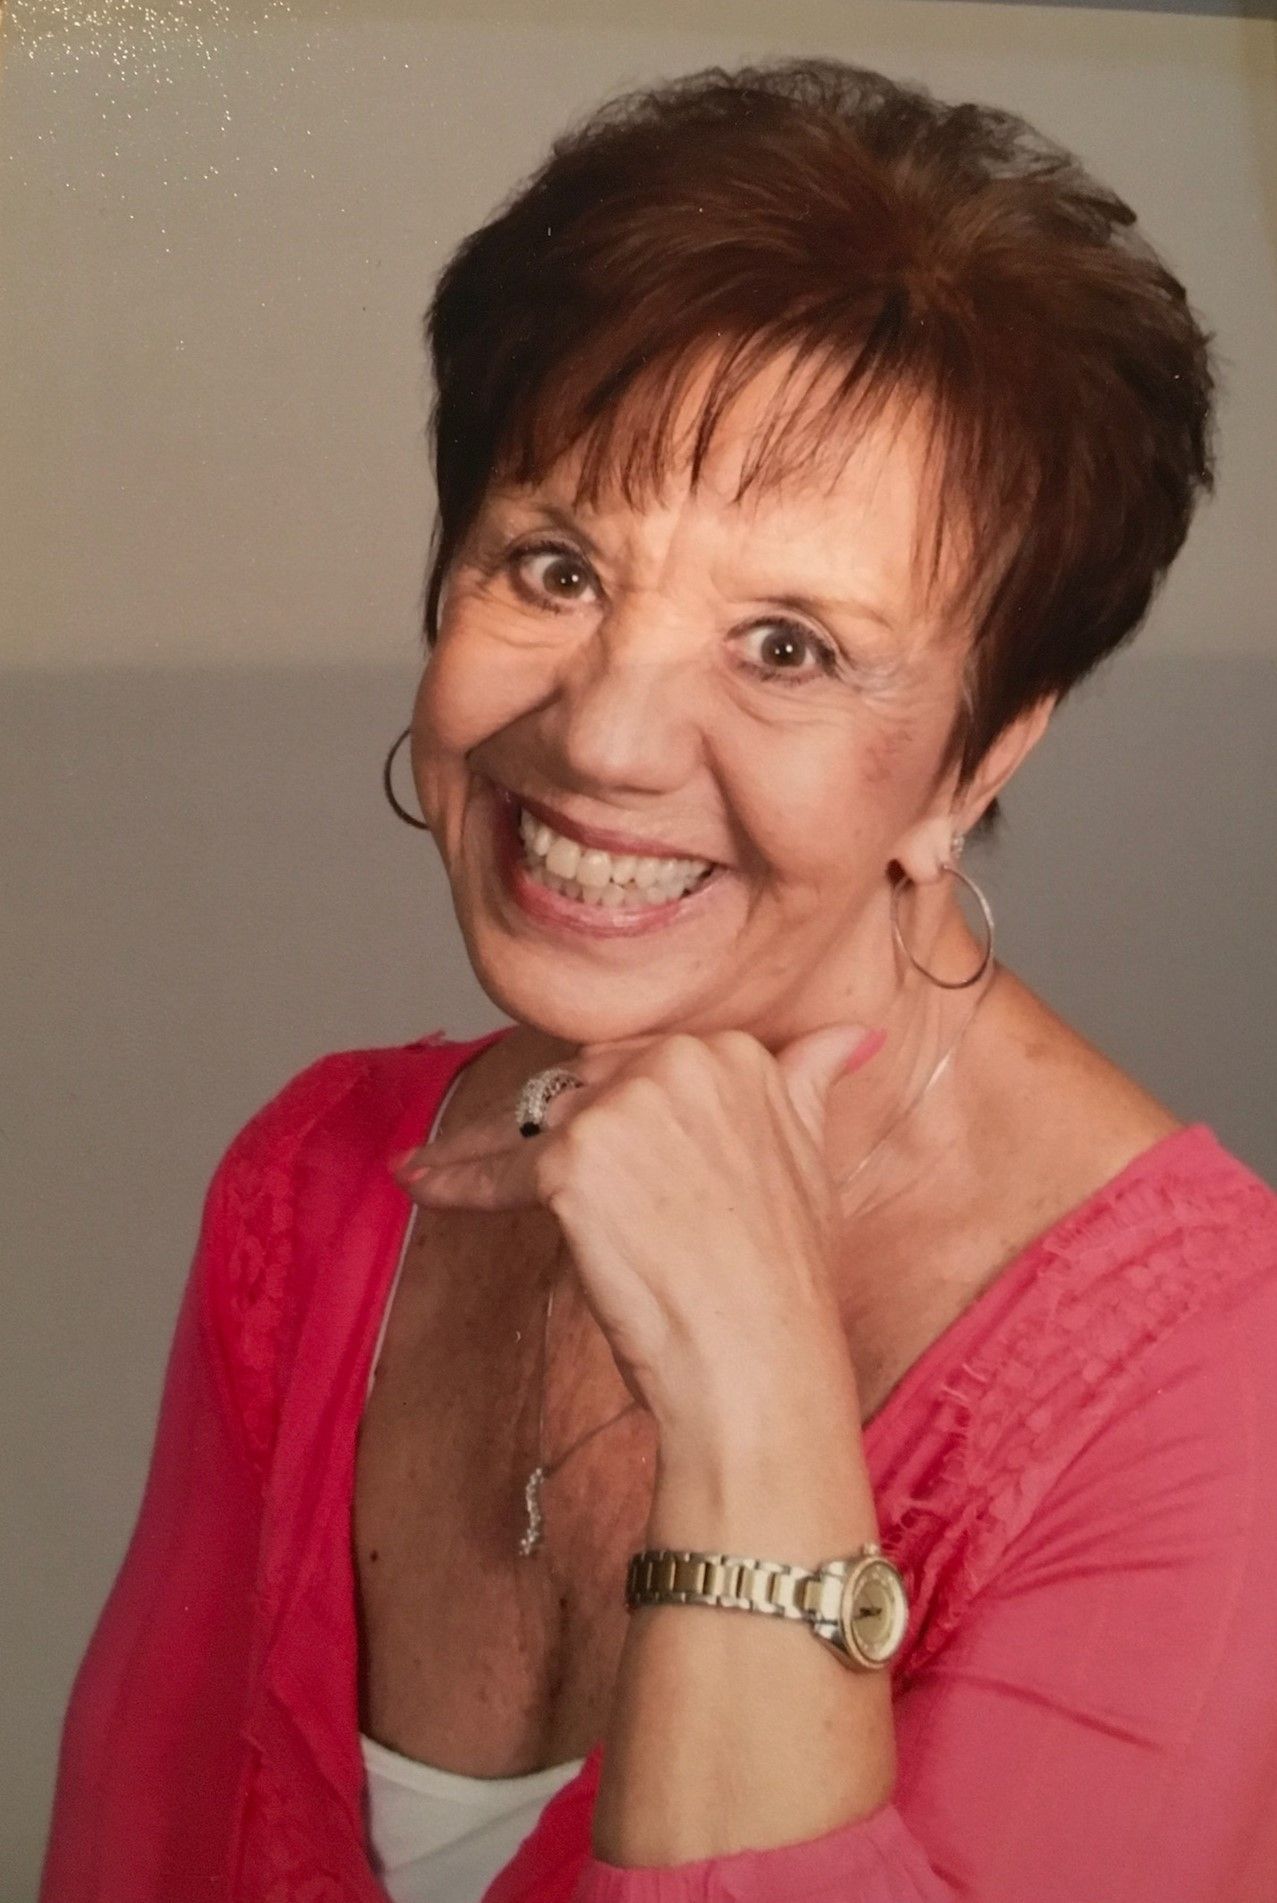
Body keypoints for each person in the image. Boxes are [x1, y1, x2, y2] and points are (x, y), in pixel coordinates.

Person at [40, 55, 1277, 1903]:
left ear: (975, 760)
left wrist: (759, 1396)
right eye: (552, 565)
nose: (604, 735)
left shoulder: (1216, 1406)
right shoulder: (308, 1187)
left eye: (788, 644)